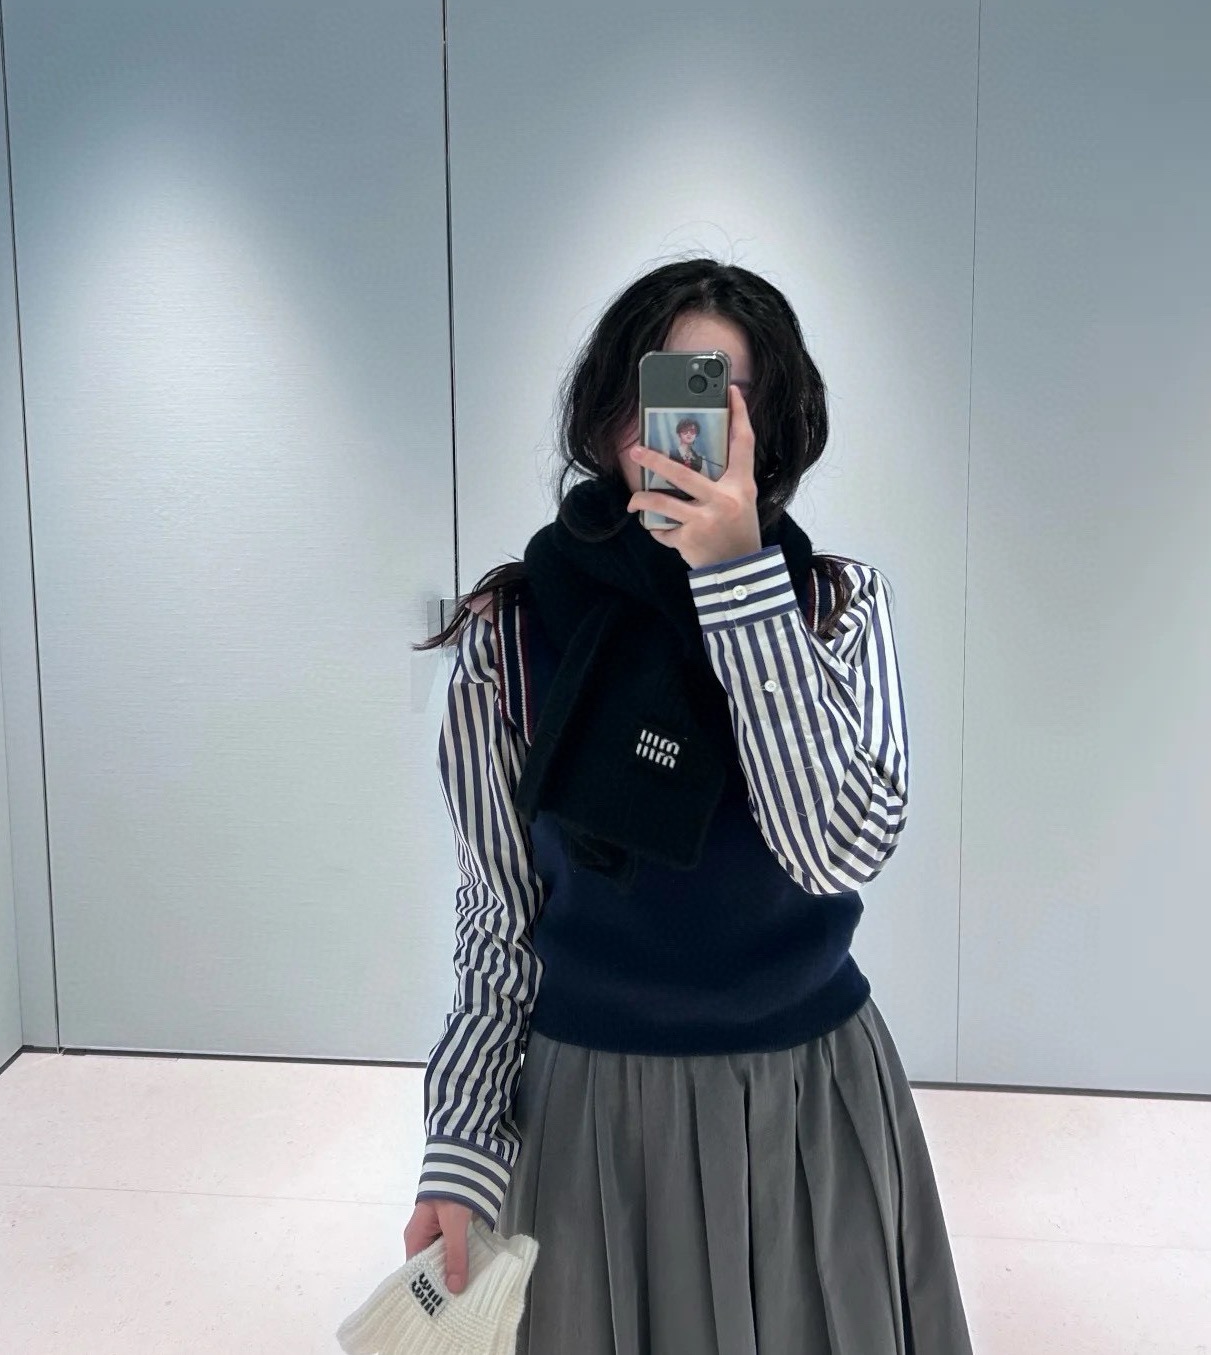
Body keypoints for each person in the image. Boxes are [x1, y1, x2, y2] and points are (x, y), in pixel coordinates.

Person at [402, 256, 975, 1353]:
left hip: (808, 1103)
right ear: (605, 410)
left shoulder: (833, 607)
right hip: (591, 1112)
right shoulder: (512, 636)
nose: (675, 428)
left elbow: (836, 847)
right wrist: (462, 1146)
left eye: (716, 393)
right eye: (655, 386)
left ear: (773, 427)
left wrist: (737, 584)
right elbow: (496, 917)